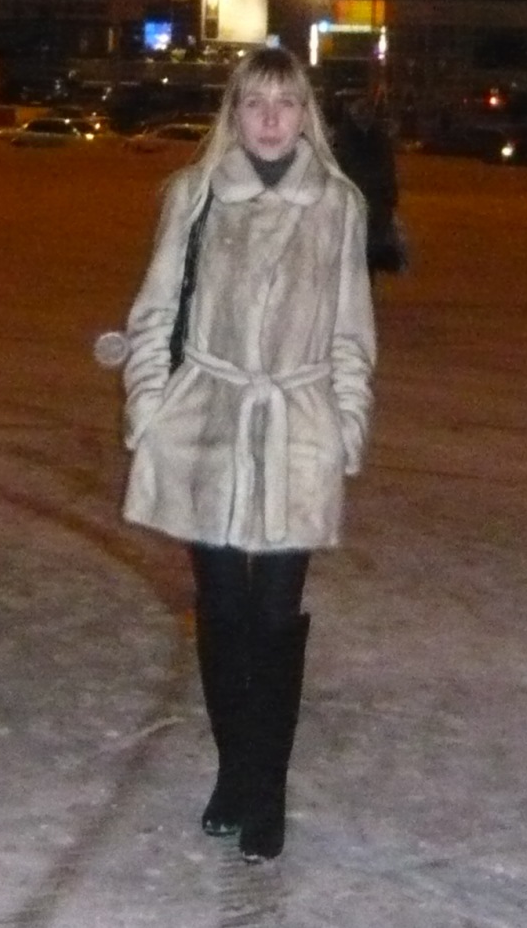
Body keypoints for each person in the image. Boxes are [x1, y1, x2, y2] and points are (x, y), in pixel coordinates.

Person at [111, 46, 376, 863]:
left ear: (306, 115)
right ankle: (236, 773)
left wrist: (346, 426)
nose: (269, 119)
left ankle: (268, 789)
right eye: (255, 103)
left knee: (275, 616)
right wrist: (149, 410)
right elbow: (155, 313)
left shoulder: (338, 204)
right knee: (224, 612)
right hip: (208, 423)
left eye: (285, 103)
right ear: (234, 112)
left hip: (297, 426)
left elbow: (351, 332)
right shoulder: (194, 195)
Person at [326, 92, 404, 276]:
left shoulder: (375, 138)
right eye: (360, 110)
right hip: (352, 202)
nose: (364, 114)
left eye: (367, 110)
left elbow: (387, 168)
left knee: (369, 252)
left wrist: (389, 198)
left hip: (373, 204)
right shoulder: (343, 138)